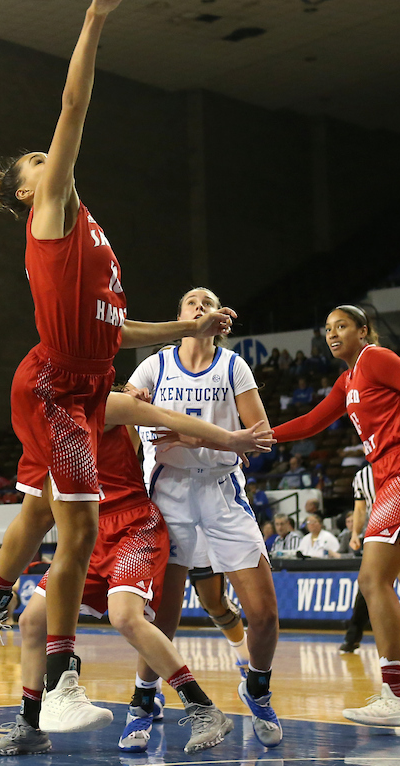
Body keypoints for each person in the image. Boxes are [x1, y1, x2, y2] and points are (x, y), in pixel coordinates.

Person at [0, 0, 237, 730]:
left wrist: (188, 329)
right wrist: (93, 18)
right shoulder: (50, 212)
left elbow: (115, 330)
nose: (48, 161)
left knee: (50, 516)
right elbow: (73, 107)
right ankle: (55, 678)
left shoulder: (91, 234)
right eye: (37, 162)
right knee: (74, 529)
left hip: (81, 379)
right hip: (54, 385)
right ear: (28, 192)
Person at [0, 391, 271, 755]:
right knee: (32, 621)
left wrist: (229, 439)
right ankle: (30, 725)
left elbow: (170, 419)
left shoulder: (102, 404)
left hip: (132, 526)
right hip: (86, 533)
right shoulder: (44, 423)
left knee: (124, 616)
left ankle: (203, 709)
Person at [273, 305, 400, 726]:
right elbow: (311, 422)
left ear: (363, 331)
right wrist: (260, 437)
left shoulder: (376, 358)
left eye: (341, 326)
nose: (332, 334)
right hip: (399, 473)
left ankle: (395, 696)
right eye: (327, 328)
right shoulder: (347, 380)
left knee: (372, 580)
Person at [126, 287, 284, 747]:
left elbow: (260, 436)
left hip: (221, 492)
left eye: (208, 301)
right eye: (192, 301)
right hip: (169, 494)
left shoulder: (234, 366)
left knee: (264, 615)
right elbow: (125, 411)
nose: (200, 305)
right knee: (161, 617)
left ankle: (257, 689)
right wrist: (138, 403)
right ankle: (143, 698)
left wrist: (191, 436)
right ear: (180, 316)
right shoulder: (155, 365)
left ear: (220, 318)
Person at [340, 463, 374, 653]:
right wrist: (355, 533)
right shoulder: (362, 475)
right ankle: (352, 637)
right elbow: (360, 509)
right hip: (378, 534)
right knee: (366, 585)